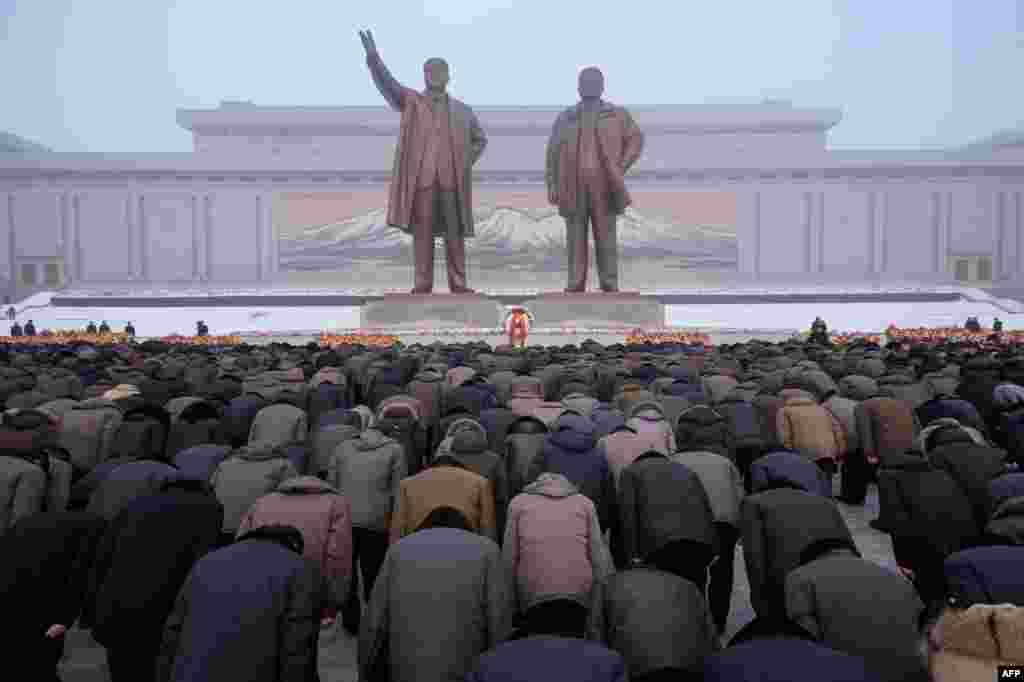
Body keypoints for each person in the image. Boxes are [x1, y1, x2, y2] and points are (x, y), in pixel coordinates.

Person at [358, 29, 487, 294]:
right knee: (423, 236)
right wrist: (373, 58)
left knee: (455, 236)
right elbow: (388, 84)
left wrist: (463, 162)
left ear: (449, 76)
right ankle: (422, 284)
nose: (436, 76)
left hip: (451, 183)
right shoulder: (411, 103)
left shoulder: (463, 111)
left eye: (441, 72)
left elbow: (480, 140)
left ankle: (459, 284)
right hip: (423, 183)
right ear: (424, 76)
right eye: (431, 71)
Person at [83, 478, 224, 682]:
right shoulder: (209, 508)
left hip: (117, 604)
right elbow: (202, 561)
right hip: (163, 607)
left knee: (123, 670)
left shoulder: (136, 503)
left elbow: (103, 556)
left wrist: (90, 610)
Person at [360, 506, 514, 682]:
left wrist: (365, 670)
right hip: (468, 670)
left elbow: (374, 621)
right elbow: (499, 619)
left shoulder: (398, 550)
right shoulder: (488, 551)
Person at [155, 524, 323, 682]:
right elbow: (297, 653)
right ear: (293, 546)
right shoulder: (301, 570)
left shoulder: (206, 562)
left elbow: (171, 636)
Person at [546, 66, 644, 293]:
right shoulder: (566, 117)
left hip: (604, 186)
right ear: (578, 87)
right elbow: (552, 153)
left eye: (594, 81)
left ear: (602, 86)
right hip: (573, 186)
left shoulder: (618, 115)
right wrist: (552, 185)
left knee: (606, 237)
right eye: (585, 82)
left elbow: (636, 140)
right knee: (575, 239)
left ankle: (609, 285)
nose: (589, 85)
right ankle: (575, 284)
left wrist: (620, 167)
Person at [0, 511, 106, 682]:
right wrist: (66, 618)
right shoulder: (99, 531)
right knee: (41, 656)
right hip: (38, 589)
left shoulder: (33, 520)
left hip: (11, 579)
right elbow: (81, 578)